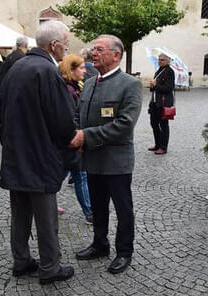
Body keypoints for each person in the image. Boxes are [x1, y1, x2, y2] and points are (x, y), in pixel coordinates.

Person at [0, 20, 76, 285]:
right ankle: (49, 267)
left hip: (15, 153)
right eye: (66, 43)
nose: (67, 48)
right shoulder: (46, 70)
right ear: (54, 45)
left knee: (20, 212)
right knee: (45, 216)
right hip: (39, 155)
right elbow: (62, 119)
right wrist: (70, 141)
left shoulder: (16, 66)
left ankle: (21, 261)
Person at [71, 35, 142, 275]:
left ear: (116, 55)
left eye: (99, 49)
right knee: (98, 207)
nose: (94, 53)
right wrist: (77, 134)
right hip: (92, 159)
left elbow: (124, 124)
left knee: (123, 209)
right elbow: (79, 114)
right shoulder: (90, 83)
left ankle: (124, 252)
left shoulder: (129, 84)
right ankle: (100, 244)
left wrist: (86, 136)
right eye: (93, 49)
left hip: (117, 161)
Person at [58, 54, 93, 224]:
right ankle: (89, 212)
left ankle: (48, 203)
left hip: (71, 141)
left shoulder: (74, 87)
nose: (85, 71)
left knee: (62, 174)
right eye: (81, 68)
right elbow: (72, 117)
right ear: (71, 70)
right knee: (80, 176)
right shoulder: (69, 90)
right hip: (72, 142)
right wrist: (77, 139)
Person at [148, 53, 175, 155]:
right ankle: (157, 144)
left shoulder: (169, 71)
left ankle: (163, 147)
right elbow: (154, 88)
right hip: (155, 102)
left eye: (162, 60)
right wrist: (152, 86)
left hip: (164, 103)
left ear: (167, 61)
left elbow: (169, 88)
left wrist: (156, 85)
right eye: (159, 59)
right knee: (154, 124)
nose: (159, 61)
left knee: (163, 125)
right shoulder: (158, 71)